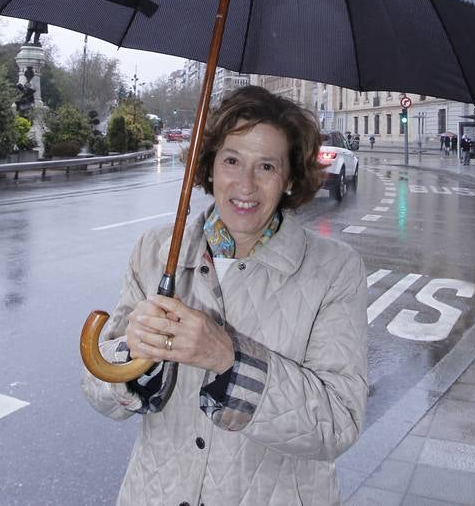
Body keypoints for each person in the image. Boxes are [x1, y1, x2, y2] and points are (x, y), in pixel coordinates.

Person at [82, 86, 368, 506]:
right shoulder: (156, 250)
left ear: (289, 178)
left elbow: (338, 423)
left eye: (266, 166)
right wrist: (131, 352)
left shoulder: (334, 270)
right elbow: (101, 391)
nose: (245, 185)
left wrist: (229, 360)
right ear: (210, 165)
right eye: (232, 160)